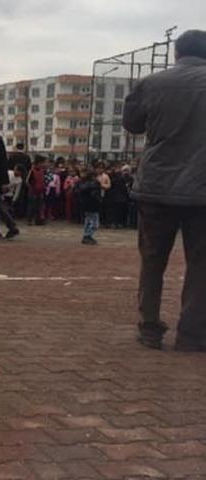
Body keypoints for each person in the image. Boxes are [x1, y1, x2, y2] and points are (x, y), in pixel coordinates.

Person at [123, 29, 206, 352]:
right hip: (202, 190)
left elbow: (132, 124)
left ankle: (149, 328)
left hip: (156, 187)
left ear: (176, 53)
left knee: (153, 261)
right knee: (201, 265)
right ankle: (192, 334)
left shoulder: (152, 83)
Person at [77, 169, 103, 246]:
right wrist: (99, 201)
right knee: (95, 223)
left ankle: (86, 235)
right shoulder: (94, 184)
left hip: (85, 205)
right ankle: (88, 235)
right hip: (93, 205)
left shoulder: (82, 183)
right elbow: (95, 196)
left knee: (88, 221)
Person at [26, 156, 47, 225]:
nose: (44, 164)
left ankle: (38, 220)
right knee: (32, 206)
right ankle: (30, 220)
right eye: (43, 163)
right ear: (39, 163)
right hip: (33, 191)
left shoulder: (42, 171)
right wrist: (31, 188)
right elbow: (27, 181)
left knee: (40, 206)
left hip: (40, 191)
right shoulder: (32, 171)